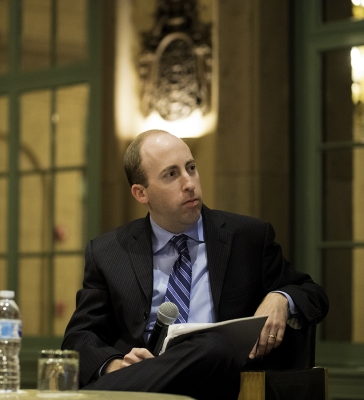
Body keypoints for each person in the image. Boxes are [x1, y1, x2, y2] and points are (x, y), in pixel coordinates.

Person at [62, 129, 328, 399]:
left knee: (216, 346)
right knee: (210, 348)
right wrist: (117, 366)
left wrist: (280, 298)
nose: (189, 183)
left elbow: (312, 293)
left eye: (191, 168)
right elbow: (79, 338)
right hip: (148, 390)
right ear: (141, 193)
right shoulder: (109, 252)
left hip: (219, 383)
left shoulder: (247, 237)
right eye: (171, 174)